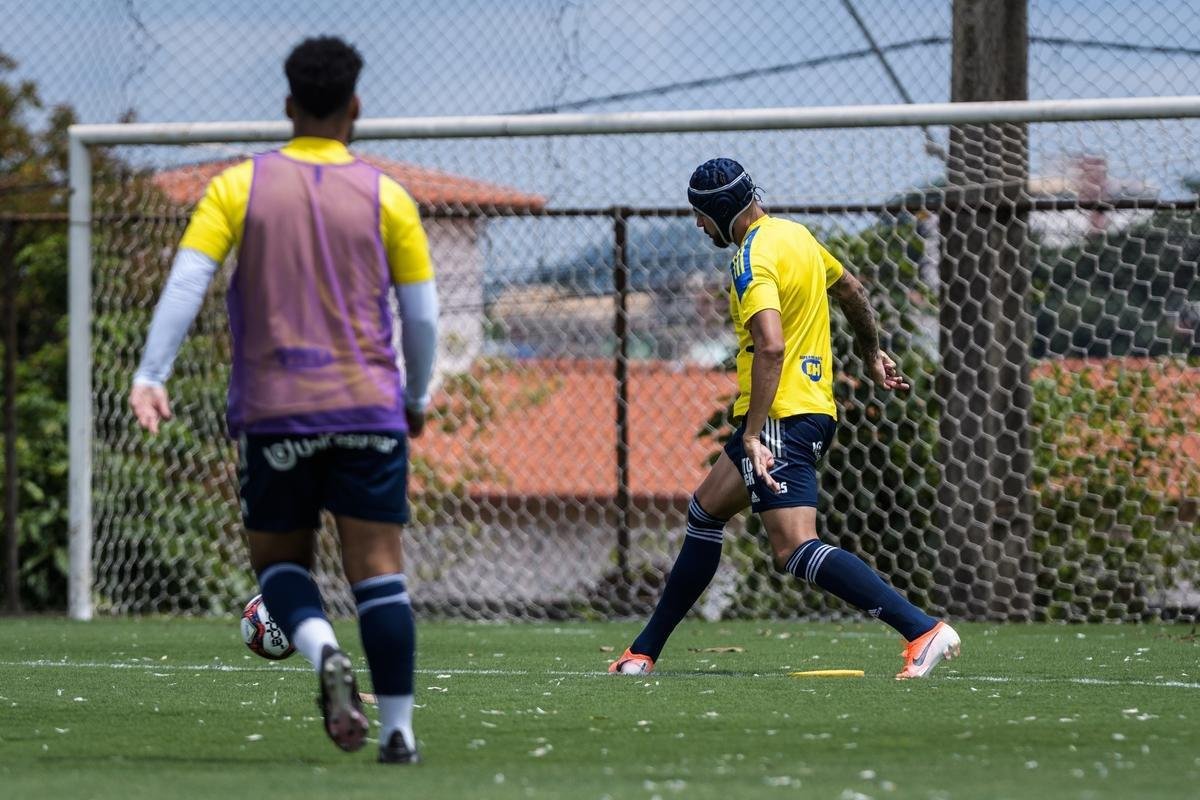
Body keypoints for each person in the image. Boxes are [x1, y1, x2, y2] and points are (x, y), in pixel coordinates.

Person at [129, 36, 437, 763]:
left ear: (288, 105)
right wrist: (415, 397)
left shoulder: (237, 186)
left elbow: (186, 282)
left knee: (281, 567)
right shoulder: (387, 195)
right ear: (355, 106)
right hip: (368, 406)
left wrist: (152, 373)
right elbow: (420, 317)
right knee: (379, 573)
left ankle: (322, 647)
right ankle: (397, 734)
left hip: (275, 412)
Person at [610, 158, 959, 680]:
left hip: (778, 416)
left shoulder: (750, 259)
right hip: (809, 407)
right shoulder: (797, 236)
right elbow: (853, 292)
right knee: (705, 513)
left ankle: (922, 629)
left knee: (794, 547)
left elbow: (770, 347)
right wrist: (871, 352)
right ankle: (642, 653)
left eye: (701, 215)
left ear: (721, 210)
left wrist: (752, 434)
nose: (699, 225)